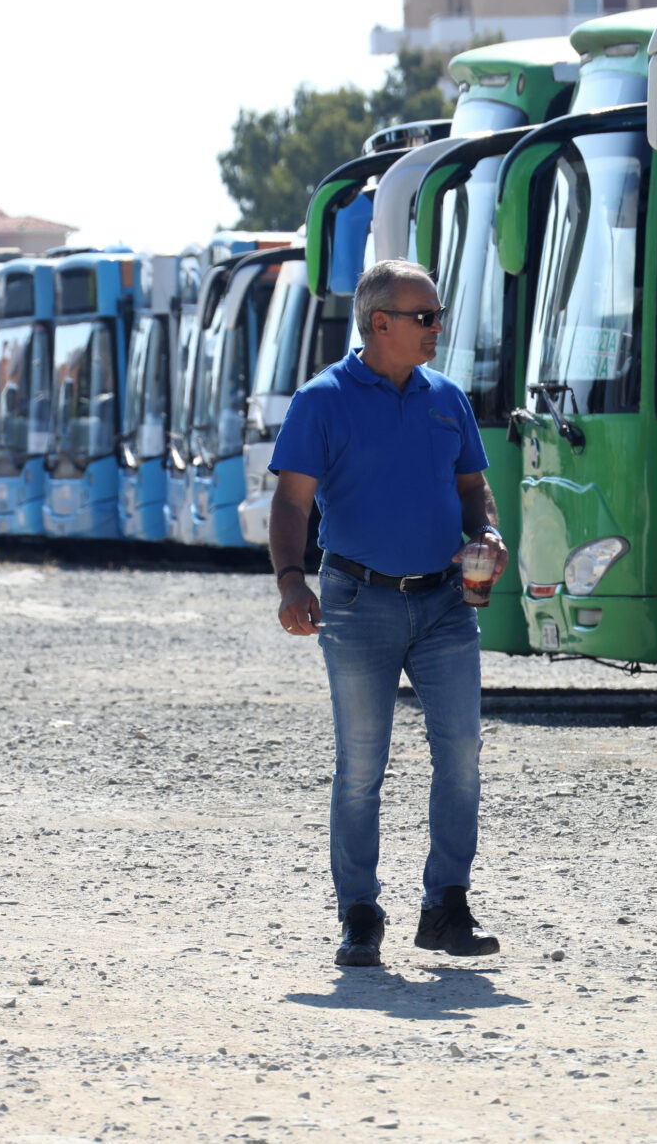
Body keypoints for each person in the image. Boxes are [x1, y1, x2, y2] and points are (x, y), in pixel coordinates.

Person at [267, 259, 509, 968]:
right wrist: (290, 581)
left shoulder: (447, 399)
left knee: (461, 753)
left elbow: (475, 491)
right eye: (424, 316)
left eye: (437, 314)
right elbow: (290, 503)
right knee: (362, 764)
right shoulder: (322, 400)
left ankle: (446, 905)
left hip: (444, 602)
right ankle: (360, 912)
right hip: (356, 599)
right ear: (380, 323)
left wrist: (486, 535)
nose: (439, 327)